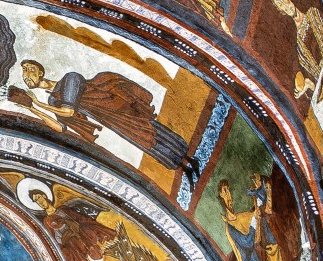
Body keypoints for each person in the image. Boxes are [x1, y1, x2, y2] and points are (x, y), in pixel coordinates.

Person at [10, 60, 194, 175]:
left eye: (30, 69)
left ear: (41, 72)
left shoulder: (70, 79)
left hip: (115, 108)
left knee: (147, 129)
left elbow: (69, 111)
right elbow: (61, 128)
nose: (26, 75)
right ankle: (180, 166)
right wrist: (32, 108)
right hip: (107, 121)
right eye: (24, 72)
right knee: (141, 140)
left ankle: (185, 155)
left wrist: (38, 103)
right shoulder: (52, 100)